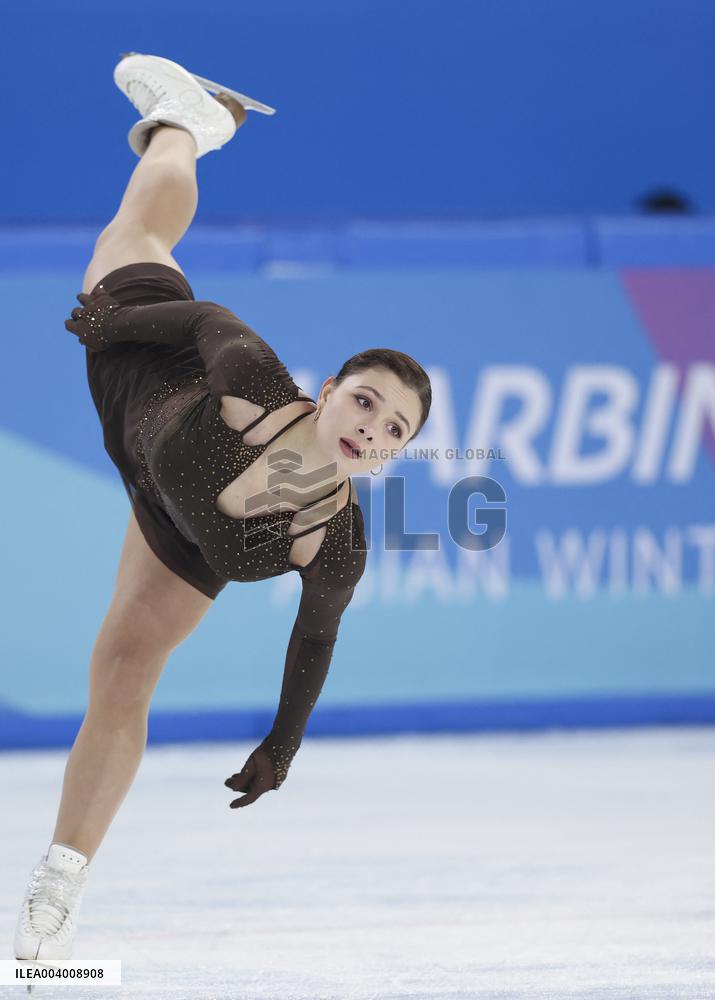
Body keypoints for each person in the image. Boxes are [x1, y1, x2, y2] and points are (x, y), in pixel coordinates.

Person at [14, 53, 431, 963]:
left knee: (123, 676)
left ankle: (58, 889)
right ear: (328, 392)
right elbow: (204, 320)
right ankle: (185, 124)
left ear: (397, 452)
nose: (372, 425)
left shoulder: (334, 543)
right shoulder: (251, 382)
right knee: (140, 231)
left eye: (393, 426)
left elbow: (312, 641)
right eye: (364, 399)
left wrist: (281, 747)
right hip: (139, 363)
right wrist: (108, 322)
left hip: (176, 526)